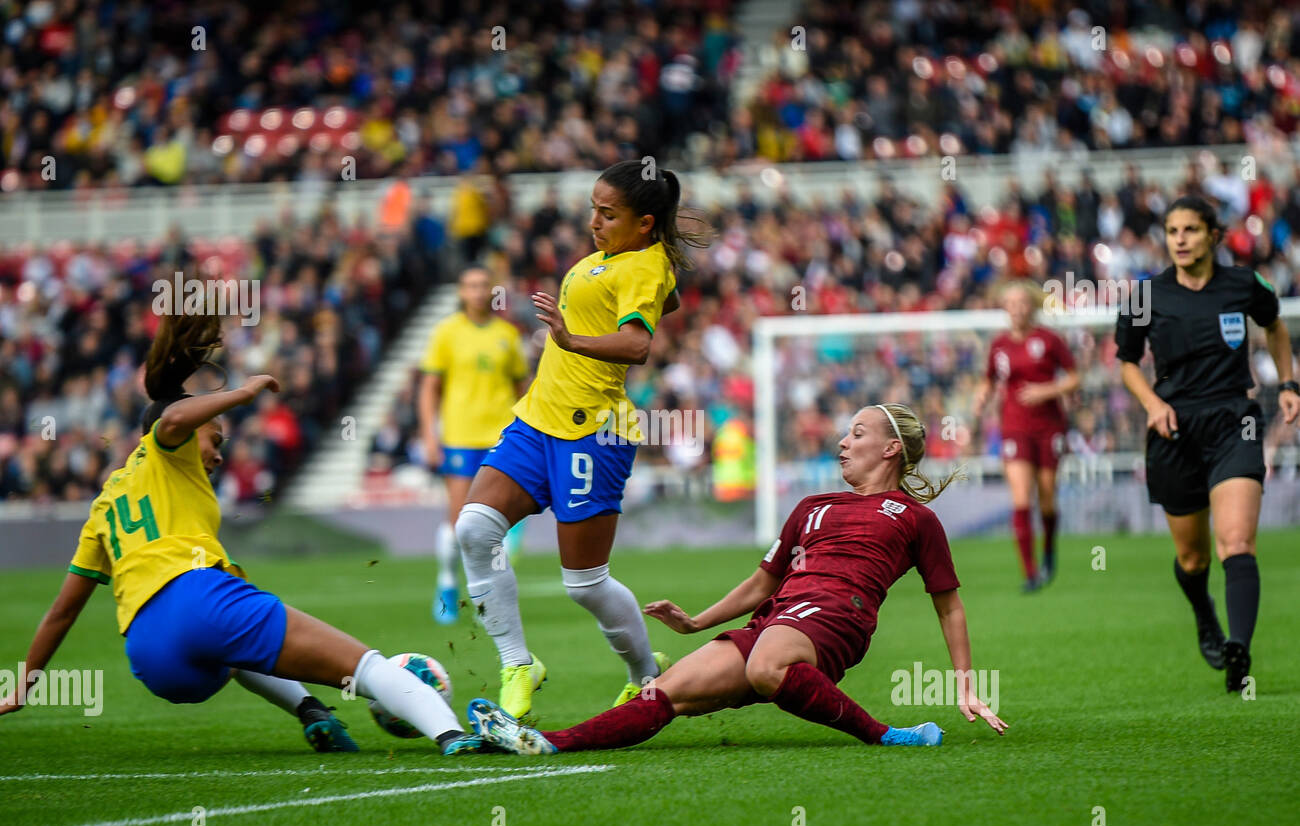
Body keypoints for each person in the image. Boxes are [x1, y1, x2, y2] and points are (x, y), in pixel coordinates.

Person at [0, 313, 482, 755]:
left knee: (234, 644)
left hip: (152, 655)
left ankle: (312, 712)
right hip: (195, 597)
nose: (218, 454)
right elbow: (170, 419)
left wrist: (24, 684)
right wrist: (243, 393)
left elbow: (63, 611)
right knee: (366, 666)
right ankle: (455, 735)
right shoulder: (169, 446)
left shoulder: (106, 503)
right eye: (215, 438)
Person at [462, 404, 1008, 755]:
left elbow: (948, 604)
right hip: (777, 619)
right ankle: (542, 742)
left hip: (837, 619)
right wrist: (696, 622)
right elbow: (762, 583)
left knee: (770, 664)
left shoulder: (914, 518)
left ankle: (886, 735)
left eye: (858, 433)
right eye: (845, 431)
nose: (843, 441)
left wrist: (965, 683)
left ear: (891, 449)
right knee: (663, 693)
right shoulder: (812, 506)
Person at [455, 159, 711, 721]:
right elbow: (663, 298)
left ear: (644, 223)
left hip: (595, 431)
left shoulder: (640, 266)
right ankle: (518, 663)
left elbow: (636, 346)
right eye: (593, 208)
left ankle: (646, 674)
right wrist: (661, 278)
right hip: (537, 419)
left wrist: (568, 338)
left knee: (584, 583)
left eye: (607, 213)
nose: (593, 221)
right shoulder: (624, 260)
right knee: (474, 527)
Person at [1116, 195, 1299, 693]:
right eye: (1172, 231)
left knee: (1236, 543)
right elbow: (1127, 362)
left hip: (1234, 421)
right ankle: (1204, 613)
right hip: (1173, 432)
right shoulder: (1144, 295)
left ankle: (1239, 650)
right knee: (1193, 559)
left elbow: (1276, 326)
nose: (1179, 239)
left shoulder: (1243, 284)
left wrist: (1288, 383)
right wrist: (1153, 405)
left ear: (1212, 235)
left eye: (1190, 230)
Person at [418, 263, 529, 624]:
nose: (479, 292)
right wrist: (430, 436)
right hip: (460, 438)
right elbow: (429, 388)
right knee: (458, 521)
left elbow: (520, 388)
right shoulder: (446, 333)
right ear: (461, 292)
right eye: (471, 286)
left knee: (498, 525)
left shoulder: (507, 335)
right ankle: (447, 580)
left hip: (501, 438)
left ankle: (486, 595)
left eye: (484, 285)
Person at [974, 281, 1080, 592]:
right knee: (1021, 498)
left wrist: (1046, 390)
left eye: (1023, 302)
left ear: (1032, 306)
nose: (1017, 308)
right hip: (1014, 427)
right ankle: (1030, 573)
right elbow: (988, 381)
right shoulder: (999, 345)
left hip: (1049, 427)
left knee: (1046, 498)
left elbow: (1075, 378)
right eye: (1012, 303)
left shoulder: (1049, 340)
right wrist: (981, 397)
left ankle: (1048, 549)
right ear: (1005, 308)